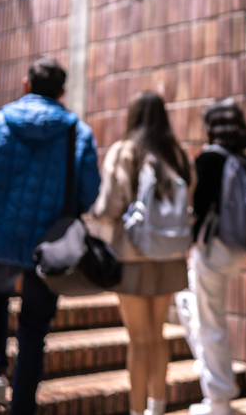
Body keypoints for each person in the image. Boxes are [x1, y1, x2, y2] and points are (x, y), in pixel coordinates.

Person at [0, 56, 101, 414]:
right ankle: (23, 405)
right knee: (34, 327)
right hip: (50, 246)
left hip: (1, 235)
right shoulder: (77, 132)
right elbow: (88, 193)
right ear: (62, 92)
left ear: (26, 85)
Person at [92, 91, 195, 415]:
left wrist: (98, 216)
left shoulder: (125, 151)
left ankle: (137, 411)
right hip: (170, 255)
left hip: (133, 256)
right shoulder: (176, 153)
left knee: (138, 339)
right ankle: (157, 406)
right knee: (157, 335)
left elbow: (109, 206)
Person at [187, 98, 246, 415]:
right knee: (202, 316)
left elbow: (197, 208)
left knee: (208, 324)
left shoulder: (210, 159)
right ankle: (218, 393)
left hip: (210, 249)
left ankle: (218, 401)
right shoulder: (242, 159)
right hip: (234, 249)